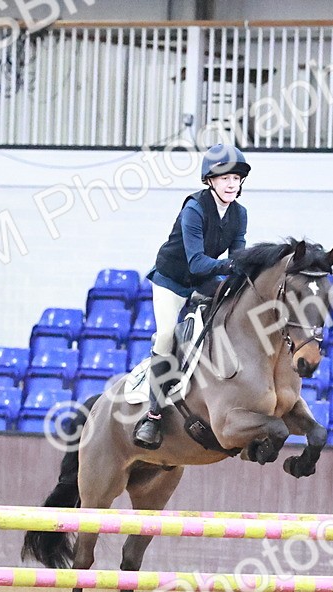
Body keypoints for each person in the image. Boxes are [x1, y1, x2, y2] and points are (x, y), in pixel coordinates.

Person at [133, 143, 250, 450]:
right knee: (166, 335)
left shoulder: (239, 214)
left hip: (204, 279)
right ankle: (153, 417)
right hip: (171, 280)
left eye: (236, 178)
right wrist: (231, 265)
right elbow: (197, 261)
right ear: (209, 180)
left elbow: (236, 255)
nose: (231, 183)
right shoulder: (194, 209)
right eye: (224, 177)